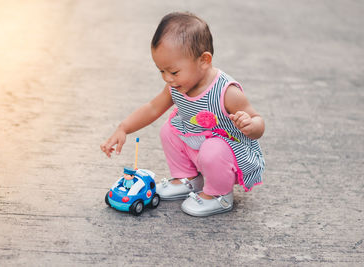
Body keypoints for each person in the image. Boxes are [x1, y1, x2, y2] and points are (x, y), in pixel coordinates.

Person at [101, 12, 265, 216]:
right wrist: (123, 127)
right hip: (198, 144)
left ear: (204, 60)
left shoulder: (226, 91)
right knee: (169, 130)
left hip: (227, 155)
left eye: (174, 72)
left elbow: (258, 122)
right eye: (161, 71)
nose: (167, 79)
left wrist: (251, 124)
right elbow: (153, 108)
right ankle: (189, 179)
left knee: (212, 149)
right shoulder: (176, 87)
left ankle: (219, 195)